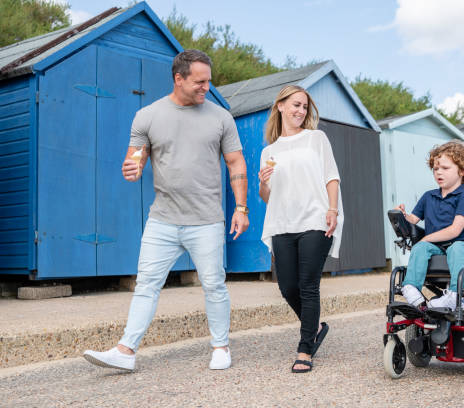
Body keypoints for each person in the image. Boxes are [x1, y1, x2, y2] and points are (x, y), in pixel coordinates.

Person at [83, 49, 249, 371]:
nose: (206, 87)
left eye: (208, 81)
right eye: (199, 82)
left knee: (214, 284)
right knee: (146, 283)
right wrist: (132, 168)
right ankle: (125, 352)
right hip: (163, 219)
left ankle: (220, 347)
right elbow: (136, 158)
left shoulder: (220, 118)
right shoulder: (147, 116)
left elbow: (235, 162)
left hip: (206, 220)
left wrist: (240, 207)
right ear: (179, 78)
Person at [258, 85, 343, 373]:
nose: (300, 111)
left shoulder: (316, 139)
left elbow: (332, 176)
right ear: (280, 106)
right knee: (287, 287)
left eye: (304, 106)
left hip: (315, 219)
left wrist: (332, 210)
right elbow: (269, 197)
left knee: (308, 286)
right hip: (282, 222)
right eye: (295, 105)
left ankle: (305, 349)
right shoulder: (269, 151)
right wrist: (263, 183)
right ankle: (316, 327)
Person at [396, 141, 464, 311]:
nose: (439, 172)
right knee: (420, 248)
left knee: (454, 247)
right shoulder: (429, 196)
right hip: (438, 249)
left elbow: (455, 230)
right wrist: (403, 216)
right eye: (436, 169)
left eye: (445, 168)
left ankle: (457, 295)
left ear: (462, 171)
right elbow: (413, 219)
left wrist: (426, 238)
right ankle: (412, 289)